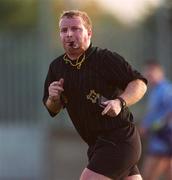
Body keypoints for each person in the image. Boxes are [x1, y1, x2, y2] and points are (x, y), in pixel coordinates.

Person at [43, 10, 147, 180]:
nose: (69, 34)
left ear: (89, 32)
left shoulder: (105, 59)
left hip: (119, 139)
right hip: (96, 145)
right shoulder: (56, 67)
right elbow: (52, 109)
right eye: (64, 30)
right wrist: (53, 98)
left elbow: (139, 83)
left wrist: (120, 102)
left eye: (76, 28)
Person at [140, 60, 172, 180]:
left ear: (160, 72)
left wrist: (153, 126)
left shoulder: (166, 89)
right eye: (147, 74)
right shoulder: (154, 91)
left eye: (151, 73)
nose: (149, 76)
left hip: (164, 140)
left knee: (148, 176)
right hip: (160, 140)